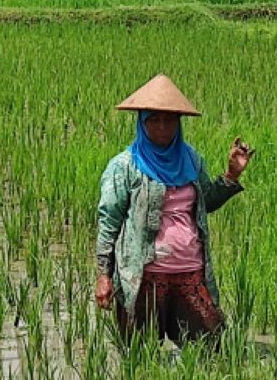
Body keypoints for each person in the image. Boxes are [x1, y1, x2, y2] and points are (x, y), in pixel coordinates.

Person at [95, 74, 254, 346]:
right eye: (153, 119)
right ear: (142, 123)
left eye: (169, 120)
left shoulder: (191, 159)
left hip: (189, 272)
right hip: (143, 276)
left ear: (178, 123)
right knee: (138, 358)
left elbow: (207, 201)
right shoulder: (124, 166)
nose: (161, 127)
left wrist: (231, 175)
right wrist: (103, 275)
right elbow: (109, 222)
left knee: (213, 349)